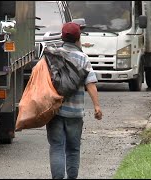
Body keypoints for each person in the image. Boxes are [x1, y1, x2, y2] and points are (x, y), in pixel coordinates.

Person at [46, 22, 103, 179]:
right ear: (78, 38)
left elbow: (41, 81)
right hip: (75, 114)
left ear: (62, 37)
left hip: (55, 111)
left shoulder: (53, 56)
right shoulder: (83, 58)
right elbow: (90, 84)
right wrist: (97, 106)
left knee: (57, 146)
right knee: (73, 149)